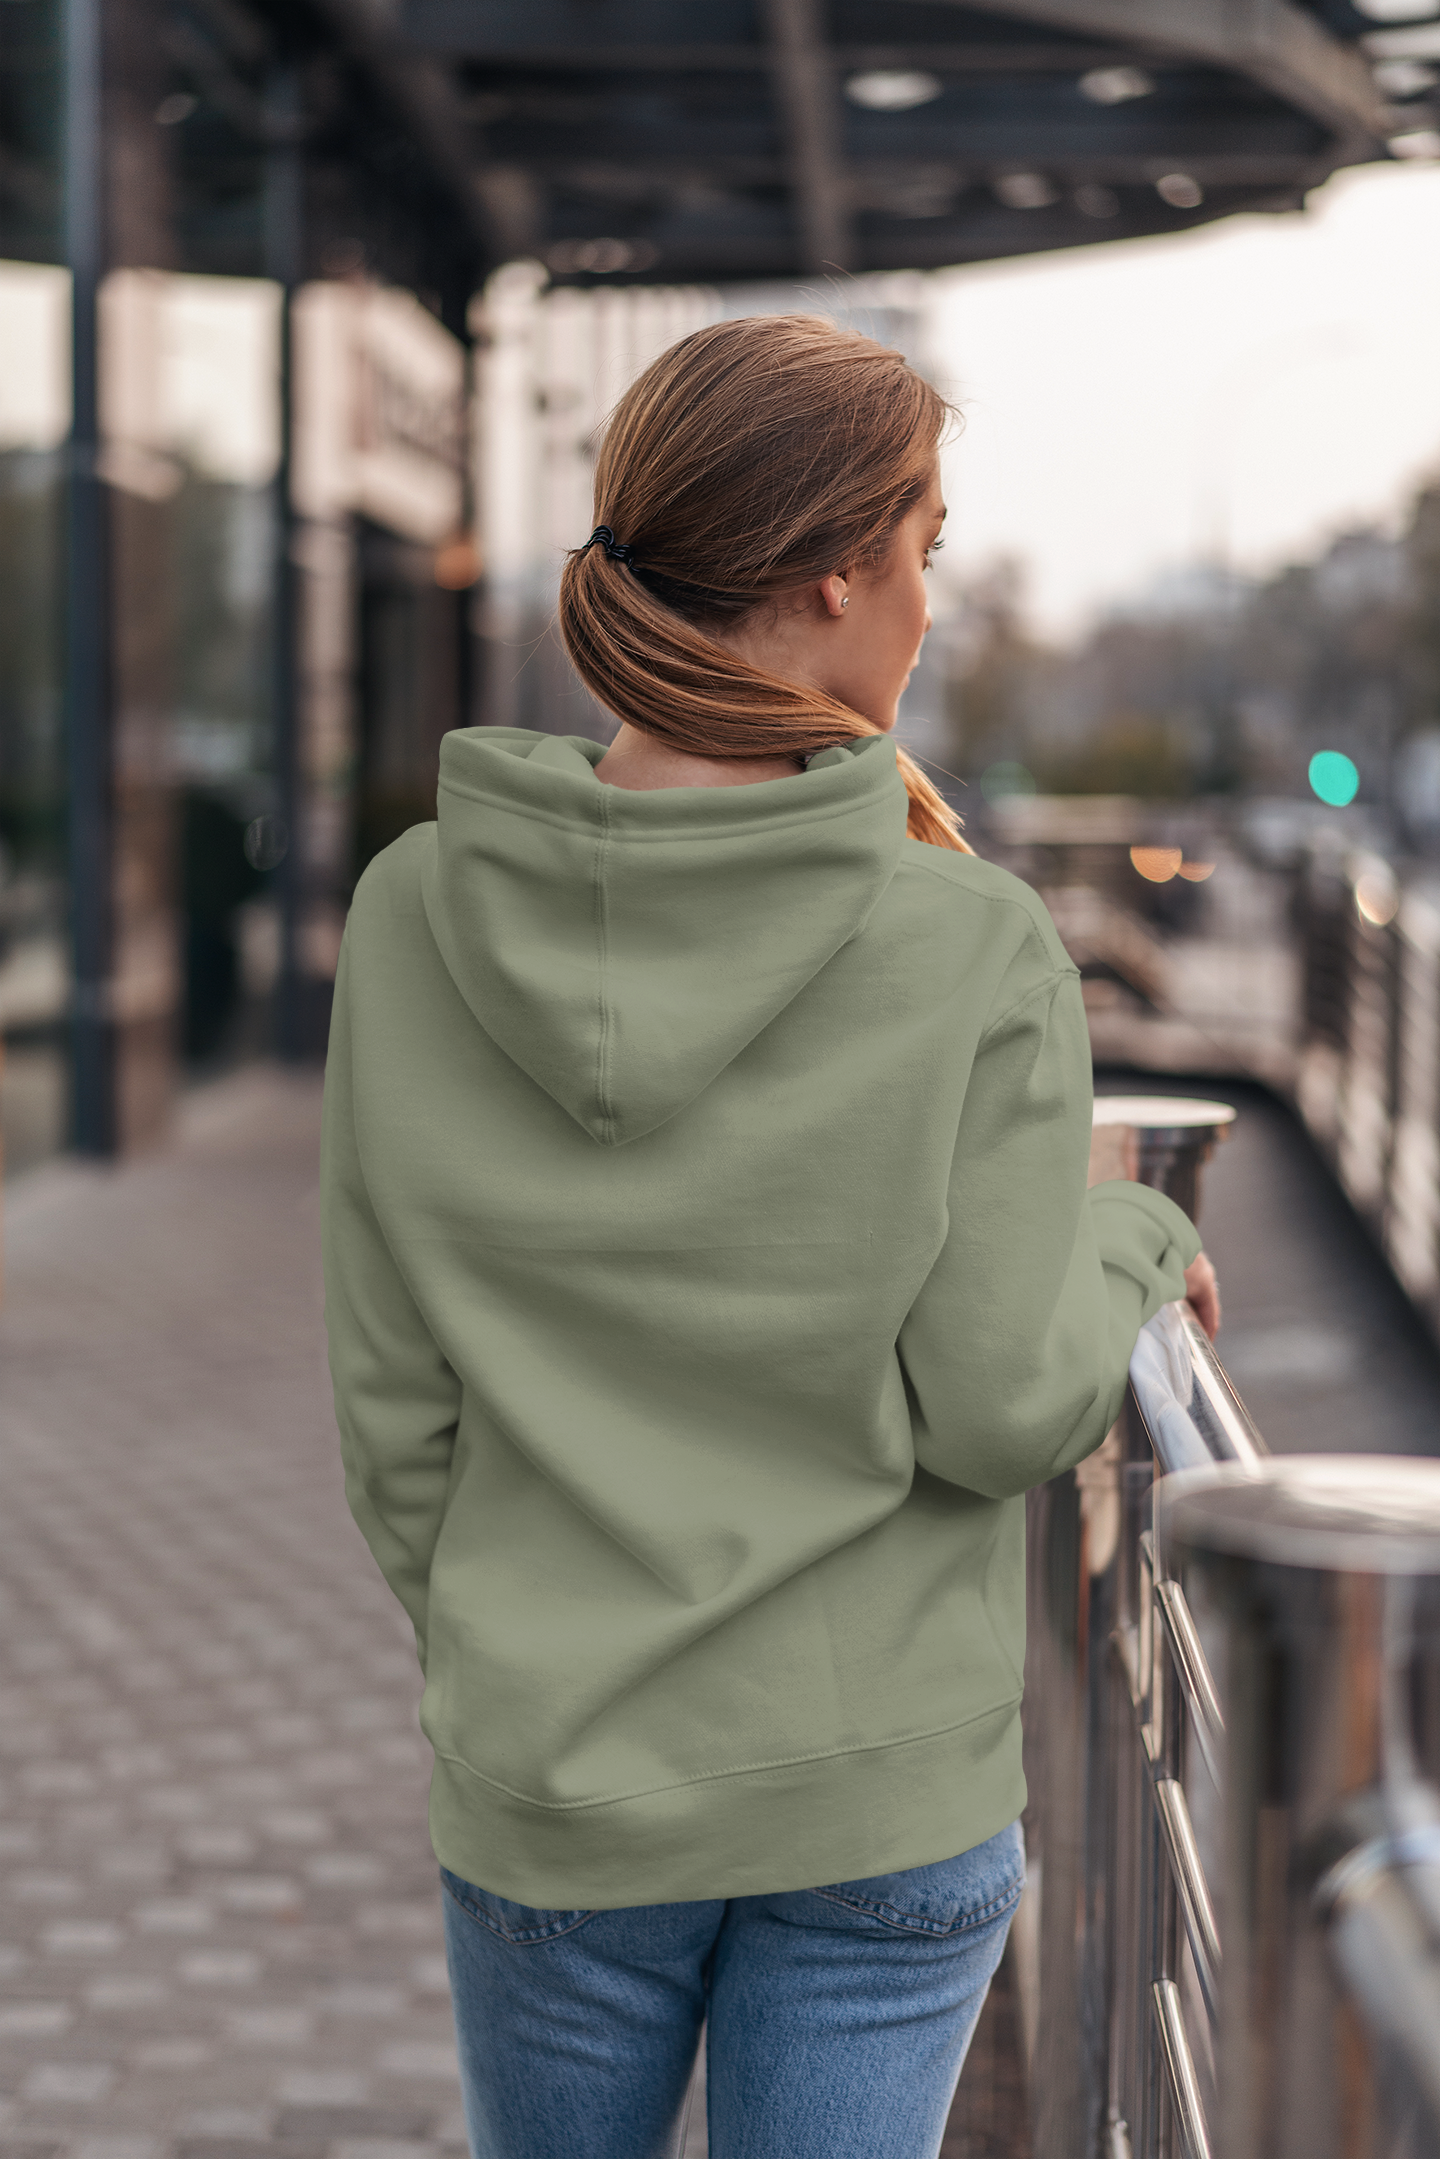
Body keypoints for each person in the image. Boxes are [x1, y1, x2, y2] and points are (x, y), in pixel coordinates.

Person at [321, 314, 1219, 2159]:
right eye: (927, 553)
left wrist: (528, 1657)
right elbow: (992, 1401)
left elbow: (391, 1406)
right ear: (833, 580)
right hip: (874, 1801)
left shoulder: (412, 915)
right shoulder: (970, 944)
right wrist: (1129, 1241)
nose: (929, 606)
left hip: (554, 1772)